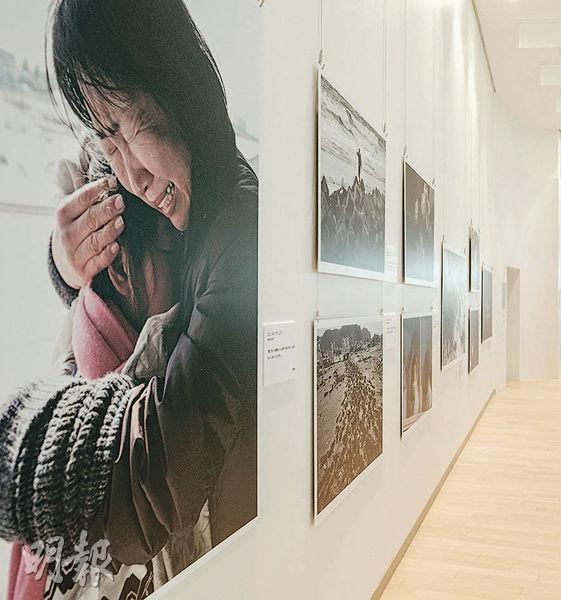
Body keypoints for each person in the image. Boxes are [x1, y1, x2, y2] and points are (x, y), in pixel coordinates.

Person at [0, 0, 257, 576]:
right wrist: (65, 267)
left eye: (129, 128)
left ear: (178, 86)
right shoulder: (172, 192)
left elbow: (156, 475)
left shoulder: (242, 233)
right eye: (105, 142)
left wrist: (11, 448)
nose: (130, 177)